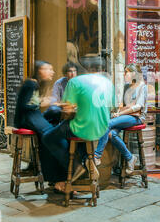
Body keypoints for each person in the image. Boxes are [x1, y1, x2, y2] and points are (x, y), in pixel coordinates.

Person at [41, 57, 114, 193]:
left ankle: (74, 167)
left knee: (48, 137)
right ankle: (86, 162)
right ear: (102, 70)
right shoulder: (108, 83)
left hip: (82, 128)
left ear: (84, 69)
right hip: (102, 130)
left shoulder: (76, 82)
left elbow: (67, 110)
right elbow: (111, 108)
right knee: (71, 139)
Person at [94, 63, 148, 174]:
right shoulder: (127, 87)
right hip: (126, 116)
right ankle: (130, 158)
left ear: (134, 73)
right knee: (111, 134)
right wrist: (118, 112)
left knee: (107, 124)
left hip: (137, 117)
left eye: (126, 72)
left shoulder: (142, 86)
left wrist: (120, 114)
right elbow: (124, 105)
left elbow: (138, 106)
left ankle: (97, 155)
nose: (124, 74)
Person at [14, 60, 55, 136]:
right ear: (39, 70)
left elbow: (32, 101)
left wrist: (42, 101)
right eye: (49, 69)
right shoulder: (31, 84)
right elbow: (23, 106)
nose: (52, 72)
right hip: (25, 119)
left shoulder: (35, 84)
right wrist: (39, 104)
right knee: (51, 134)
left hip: (32, 116)